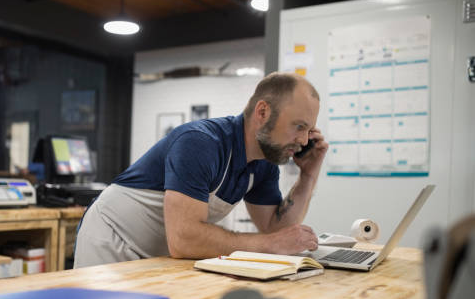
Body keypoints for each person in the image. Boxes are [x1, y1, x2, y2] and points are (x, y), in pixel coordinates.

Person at [74, 72, 328, 268]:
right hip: (112, 239)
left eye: (309, 130)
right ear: (262, 112)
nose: (305, 140)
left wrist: (308, 175)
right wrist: (269, 245)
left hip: (157, 252)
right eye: (299, 126)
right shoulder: (200, 143)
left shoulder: (264, 163)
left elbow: (275, 229)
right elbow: (184, 238)